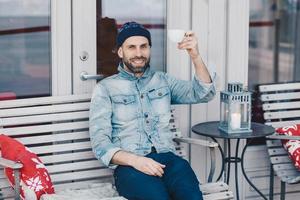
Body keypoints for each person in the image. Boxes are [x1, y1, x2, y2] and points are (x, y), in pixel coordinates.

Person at [89, 21, 216, 200]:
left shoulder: (163, 80)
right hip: (131, 168)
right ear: (120, 52)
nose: (139, 53)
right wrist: (137, 161)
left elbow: (203, 93)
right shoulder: (105, 89)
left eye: (143, 46)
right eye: (131, 47)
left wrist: (194, 55)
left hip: (170, 162)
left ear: (149, 49)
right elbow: (100, 144)